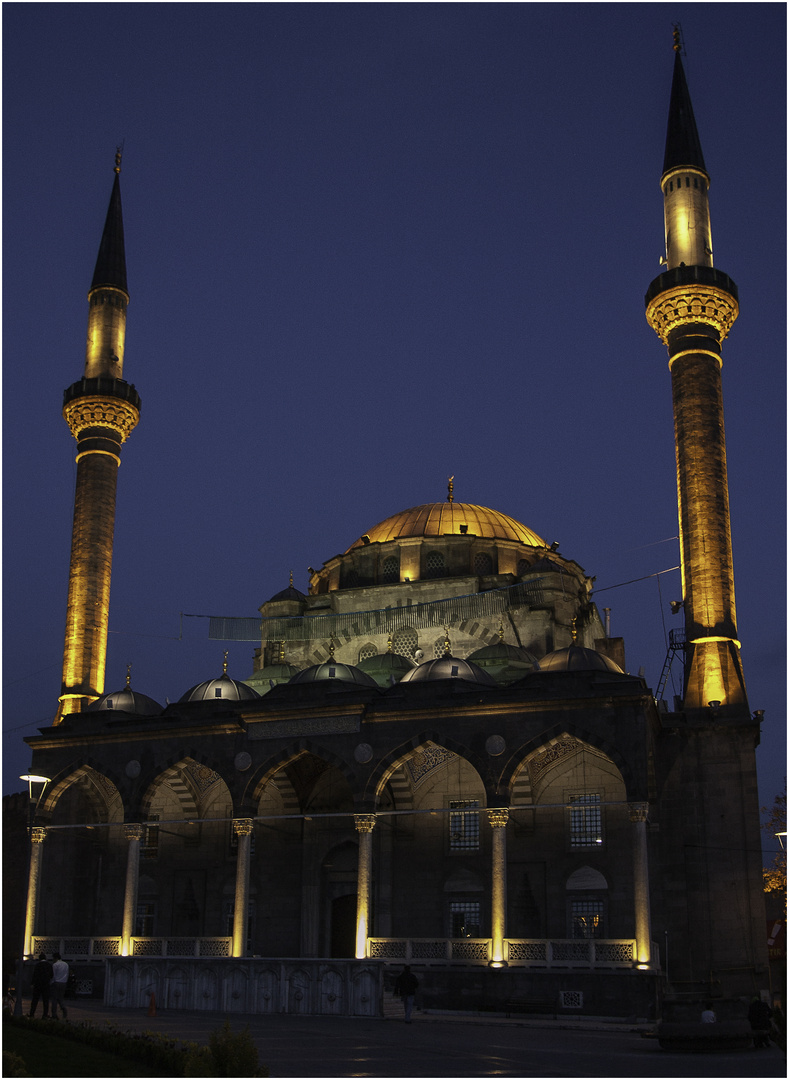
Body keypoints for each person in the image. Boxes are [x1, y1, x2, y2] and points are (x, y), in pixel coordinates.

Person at [29, 953, 53, 1019]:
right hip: (46, 985)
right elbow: (51, 975)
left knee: (35, 1000)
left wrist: (32, 983)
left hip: (38, 984)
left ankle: (32, 1013)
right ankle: (45, 1014)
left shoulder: (38, 965)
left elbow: (35, 975)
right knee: (45, 1000)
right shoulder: (49, 965)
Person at [49, 952, 69, 1020]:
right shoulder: (66, 964)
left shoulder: (55, 965)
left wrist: (51, 982)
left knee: (54, 999)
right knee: (60, 998)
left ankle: (54, 1014)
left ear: (55, 958)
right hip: (63, 983)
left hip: (56, 982)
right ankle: (63, 1008)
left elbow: (53, 975)